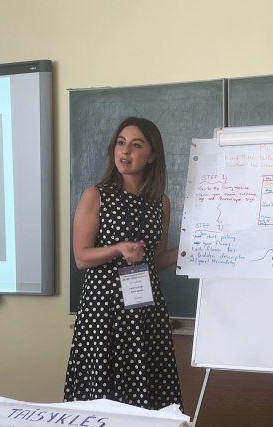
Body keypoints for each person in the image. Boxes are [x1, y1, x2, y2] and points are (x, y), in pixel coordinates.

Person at [64, 117, 183, 410]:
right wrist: (118, 249)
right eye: (121, 143)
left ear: (152, 155)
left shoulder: (160, 202)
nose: (125, 151)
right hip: (104, 312)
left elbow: (155, 260)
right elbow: (81, 257)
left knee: (147, 393)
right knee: (103, 395)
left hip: (145, 312)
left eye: (136, 145)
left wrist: (189, 252)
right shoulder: (96, 195)